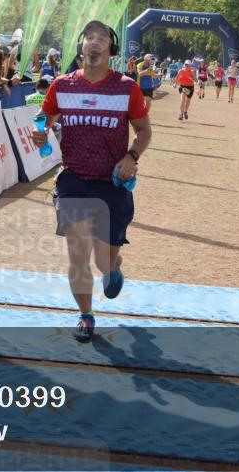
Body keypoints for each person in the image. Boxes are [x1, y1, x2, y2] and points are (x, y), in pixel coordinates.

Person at [31, 20, 152, 342]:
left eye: (101, 39)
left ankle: (114, 265)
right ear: (81, 46)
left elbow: (144, 130)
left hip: (112, 185)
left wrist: (131, 157)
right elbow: (43, 118)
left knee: (104, 261)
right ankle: (85, 315)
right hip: (73, 181)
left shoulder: (127, 87)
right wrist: (40, 132)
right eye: (89, 38)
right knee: (78, 254)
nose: (94, 43)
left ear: (111, 49)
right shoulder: (62, 85)